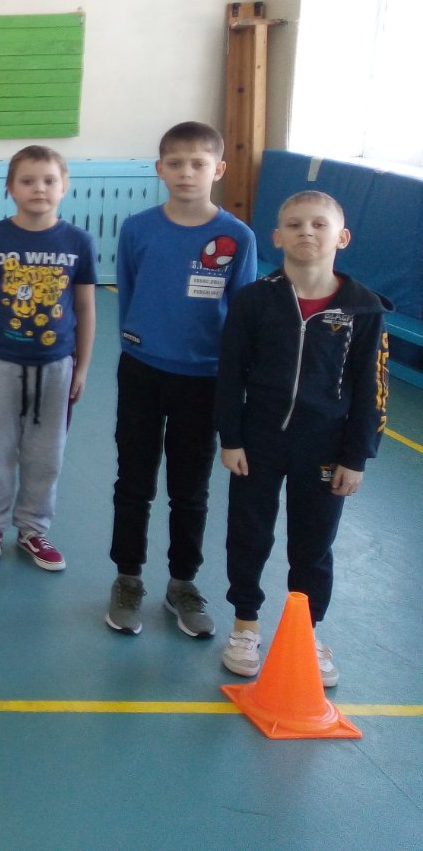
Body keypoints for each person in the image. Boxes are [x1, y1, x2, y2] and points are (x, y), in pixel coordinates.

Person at [216, 191, 389, 688]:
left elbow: (372, 388)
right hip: (259, 441)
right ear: (277, 237)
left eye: (318, 224)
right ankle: (245, 625)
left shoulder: (364, 309)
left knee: (313, 544)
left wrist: (356, 456)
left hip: (325, 447)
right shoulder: (254, 300)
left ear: (342, 237)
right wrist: (231, 437)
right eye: (293, 225)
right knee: (249, 533)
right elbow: (230, 374)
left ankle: (305, 631)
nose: (306, 232)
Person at [105, 122, 257, 637]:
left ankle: (182, 582)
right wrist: (138, 341)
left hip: (204, 380)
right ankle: (127, 576)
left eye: (198, 163)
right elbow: (128, 291)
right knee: (133, 480)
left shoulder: (237, 237)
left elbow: (241, 315)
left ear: (219, 169)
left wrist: (232, 379)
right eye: (175, 163)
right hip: (142, 370)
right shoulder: (138, 229)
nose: (186, 172)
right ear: (160, 170)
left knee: (190, 489)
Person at [0, 145, 96, 571]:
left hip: (57, 366)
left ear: (64, 186)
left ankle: (34, 529)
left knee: (46, 454)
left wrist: (82, 366)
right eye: (28, 181)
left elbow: (86, 307)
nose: (39, 188)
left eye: (49, 180)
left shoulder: (78, 242)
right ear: (10, 188)